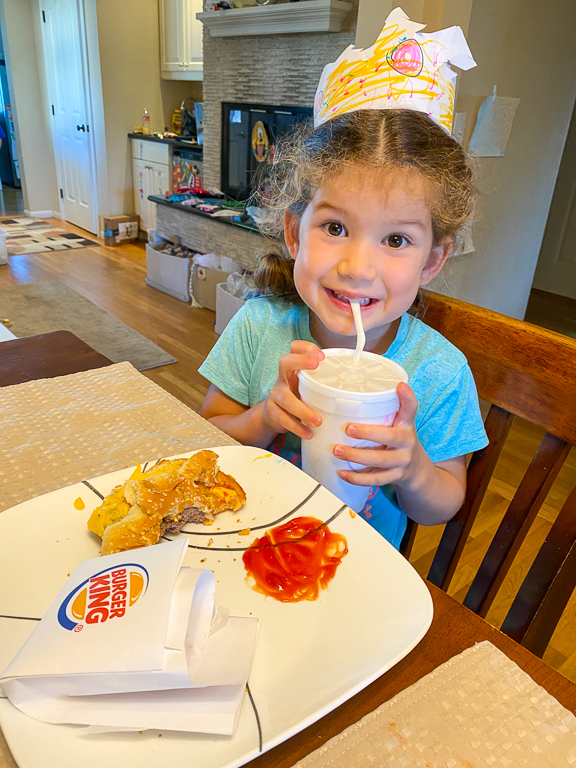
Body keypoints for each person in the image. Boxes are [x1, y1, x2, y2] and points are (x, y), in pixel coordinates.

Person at [199, 19, 488, 550]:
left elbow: (442, 505)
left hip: (358, 570)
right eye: (335, 228)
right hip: (245, 540)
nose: (357, 267)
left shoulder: (440, 372)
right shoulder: (260, 324)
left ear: (432, 261)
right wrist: (265, 417)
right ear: (294, 232)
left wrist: (413, 467)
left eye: (396, 240)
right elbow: (208, 436)